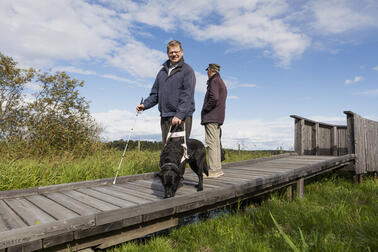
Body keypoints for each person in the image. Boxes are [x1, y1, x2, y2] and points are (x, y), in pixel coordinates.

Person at [136, 40, 196, 146]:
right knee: (166, 150)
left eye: (176, 51)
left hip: (181, 118)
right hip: (165, 116)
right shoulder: (162, 72)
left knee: (178, 151)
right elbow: (155, 94)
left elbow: (187, 95)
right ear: (167, 53)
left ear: (181, 52)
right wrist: (144, 105)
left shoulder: (187, 71)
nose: (174, 54)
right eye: (171, 52)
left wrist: (179, 115)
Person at [201, 63, 227, 178]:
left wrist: (205, 108)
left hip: (212, 116)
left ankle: (213, 170)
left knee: (211, 143)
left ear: (211, 70)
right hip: (218, 117)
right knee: (215, 144)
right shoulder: (221, 81)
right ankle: (217, 169)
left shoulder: (214, 81)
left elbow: (214, 98)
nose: (207, 72)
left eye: (208, 70)